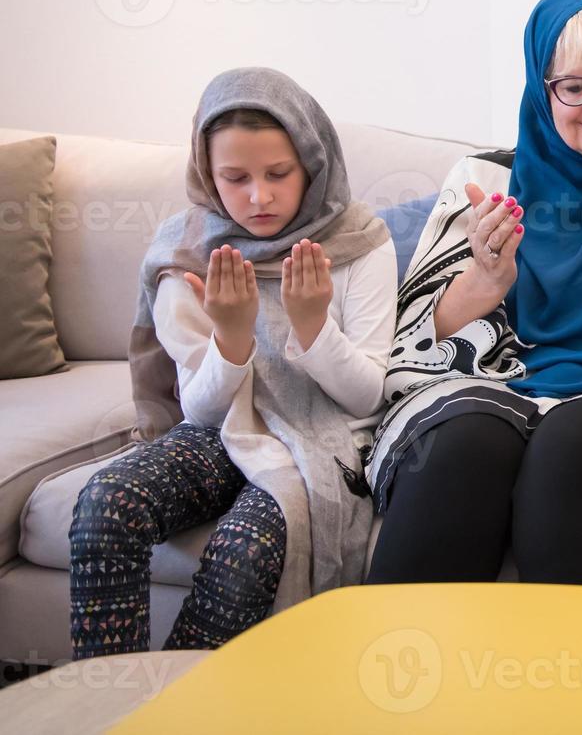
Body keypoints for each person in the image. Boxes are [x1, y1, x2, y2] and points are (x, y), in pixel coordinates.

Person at [364, 0, 582, 588]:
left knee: (575, 443)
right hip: (489, 385)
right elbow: (411, 343)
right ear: (540, 85)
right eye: (574, 87)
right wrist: (485, 278)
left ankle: (578, 679)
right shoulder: (485, 179)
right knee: (465, 440)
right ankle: (402, 675)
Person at [70, 67, 396, 658]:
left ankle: (183, 709)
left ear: (312, 163)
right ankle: (109, 708)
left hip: (320, 439)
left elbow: (368, 398)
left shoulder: (361, 240)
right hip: (218, 431)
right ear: (207, 174)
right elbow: (198, 408)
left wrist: (311, 325)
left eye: (278, 174)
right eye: (235, 178)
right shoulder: (186, 250)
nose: (259, 197)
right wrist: (233, 336)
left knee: (247, 550)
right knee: (105, 504)